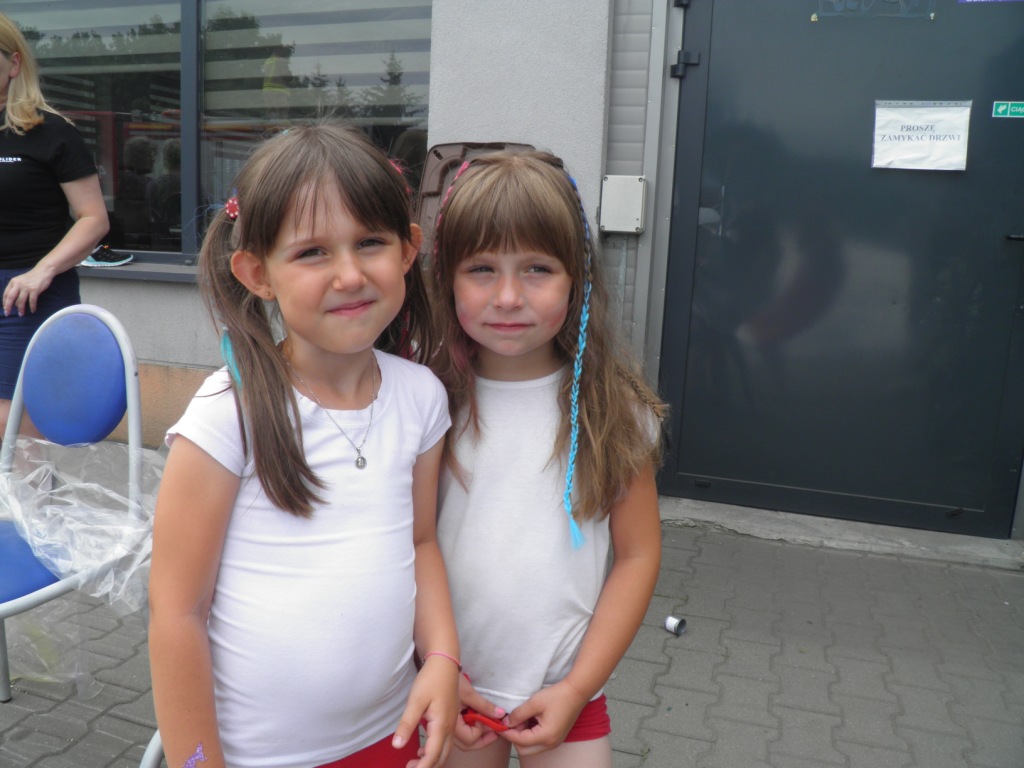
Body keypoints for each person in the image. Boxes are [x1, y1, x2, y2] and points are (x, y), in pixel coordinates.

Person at [148, 124, 460, 768]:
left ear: (408, 251)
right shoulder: (228, 414)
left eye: (370, 242)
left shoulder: (422, 397)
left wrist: (442, 657)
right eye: (313, 252)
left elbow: (422, 542)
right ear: (257, 273)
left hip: (394, 737)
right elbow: (177, 612)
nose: (349, 274)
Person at [430, 150, 667, 768]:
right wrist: (432, 664)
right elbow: (402, 546)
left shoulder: (614, 408)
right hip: (450, 687)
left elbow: (638, 556)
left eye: (537, 268)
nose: (509, 296)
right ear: (447, 277)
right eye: (481, 268)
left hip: (569, 690)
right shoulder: (424, 402)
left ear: (577, 278)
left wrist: (578, 687)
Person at [0, 12, 108, 438]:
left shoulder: (51, 132)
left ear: (14, 64)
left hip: (27, 294)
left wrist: (42, 270)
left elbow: (93, 219)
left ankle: (30, 487)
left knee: (13, 421)